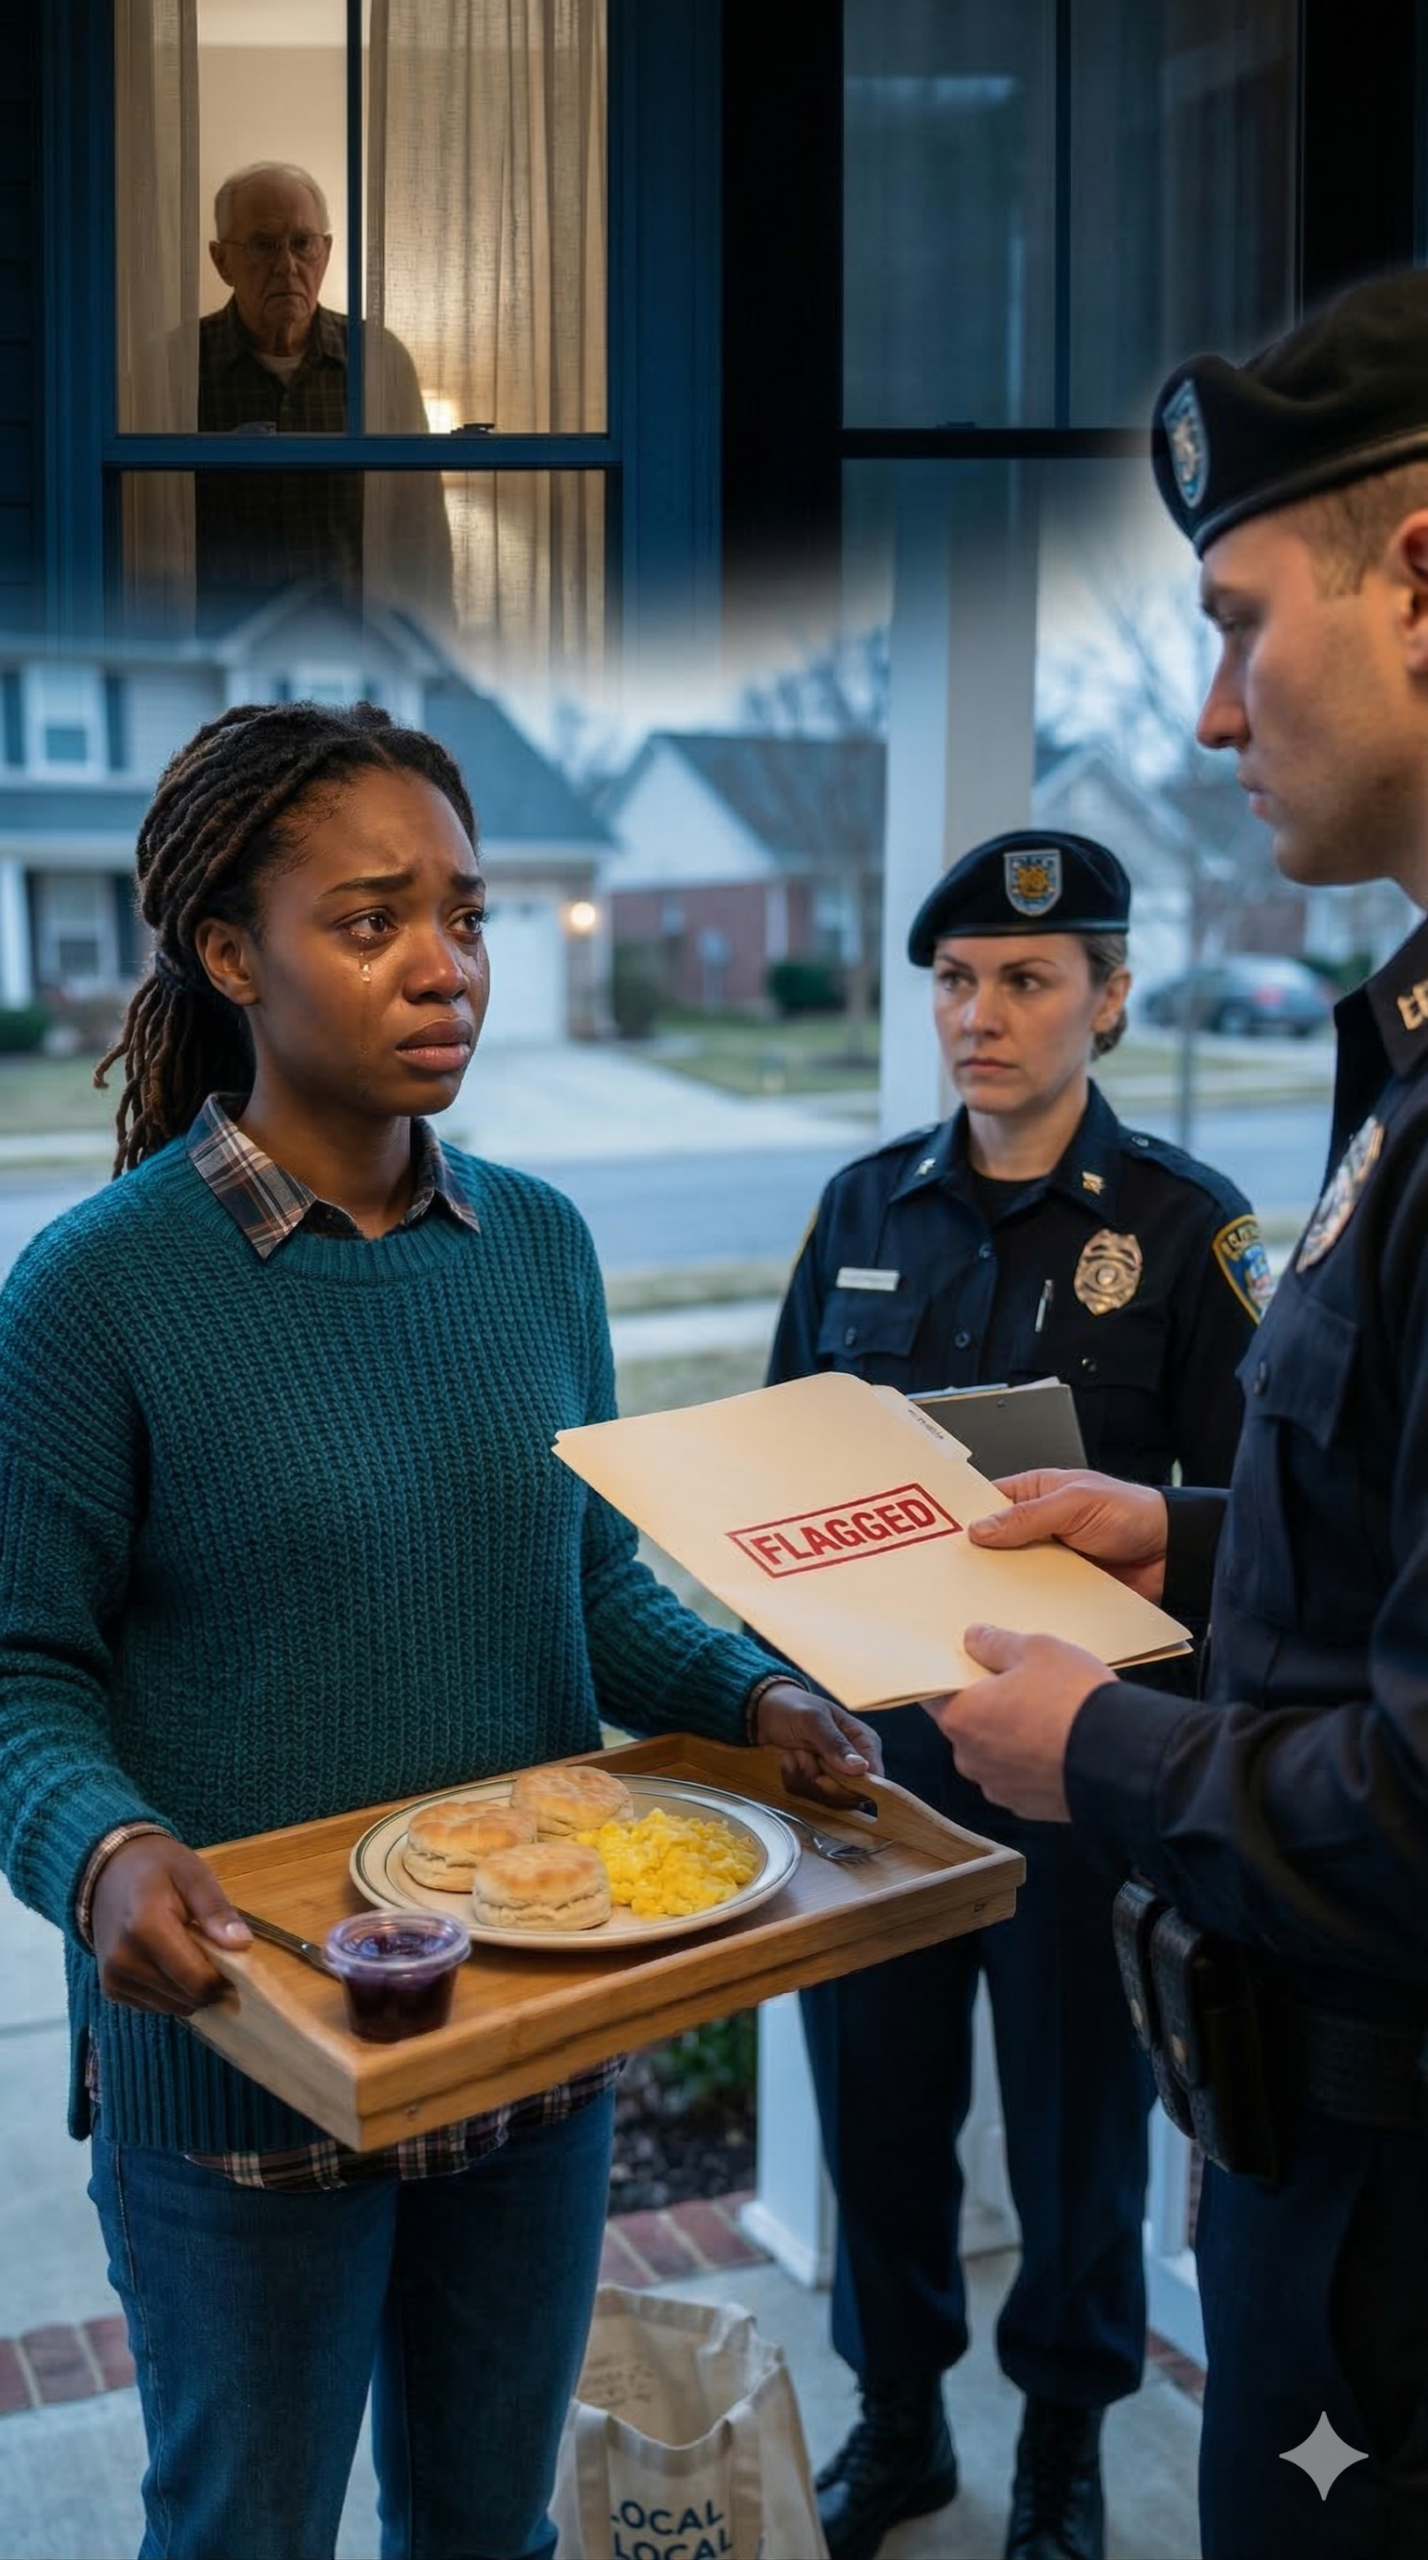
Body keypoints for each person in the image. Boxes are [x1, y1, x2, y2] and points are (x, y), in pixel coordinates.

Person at [0, 697, 880, 2560]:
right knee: (243, 2529)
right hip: (240, 2060)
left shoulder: (542, 1249)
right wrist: (101, 1849)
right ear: (230, 953)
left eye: (467, 917)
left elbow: (582, 1589)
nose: (445, 967)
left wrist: (749, 1691)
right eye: (373, 917)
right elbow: (19, 1671)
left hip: (528, 2036)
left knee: (490, 2524)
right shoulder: (93, 1298)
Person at [930, 269, 1428, 2560]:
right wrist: (1194, 1536)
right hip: (1323, 2165)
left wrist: (1097, 1752)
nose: (1213, 709)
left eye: (1240, 622)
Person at [767, 830, 1265, 2560]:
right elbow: (775, 1474)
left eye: (1027, 980)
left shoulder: (1189, 1232)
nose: (978, 1015)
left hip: (1074, 1773)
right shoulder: (860, 1210)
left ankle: (1059, 2442)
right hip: (875, 1769)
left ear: (1109, 997)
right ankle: (896, 2420)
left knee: (1072, 2124)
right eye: (954, 981)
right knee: (876, 2107)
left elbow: (1254, 1540)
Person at [196, 163, 453, 622]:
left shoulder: (380, 362)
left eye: (302, 243)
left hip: (355, 653)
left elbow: (423, 536)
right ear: (222, 261)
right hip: (227, 658)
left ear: (327, 251)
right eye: (263, 245)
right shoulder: (180, 367)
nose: (286, 265)